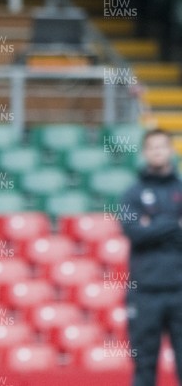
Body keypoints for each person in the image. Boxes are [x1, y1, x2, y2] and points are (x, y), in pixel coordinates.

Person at [120, 128, 182, 386]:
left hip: (180, 290)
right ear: (145, 153)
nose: (158, 151)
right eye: (152, 147)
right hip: (144, 292)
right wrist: (173, 224)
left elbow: (145, 231)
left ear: (170, 150)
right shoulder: (132, 194)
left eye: (162, 146)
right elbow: (134, 232)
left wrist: (152, 224)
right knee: (144, 364)